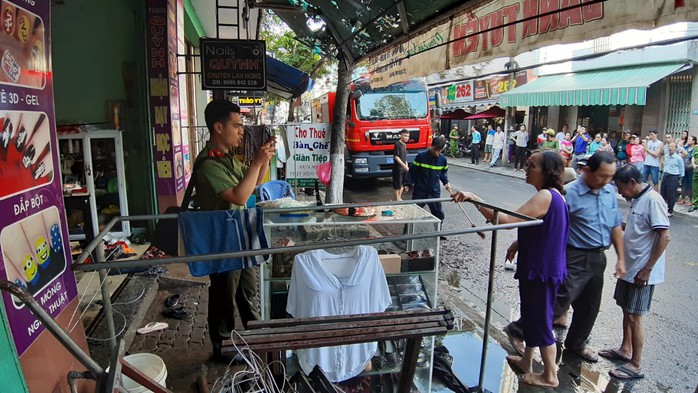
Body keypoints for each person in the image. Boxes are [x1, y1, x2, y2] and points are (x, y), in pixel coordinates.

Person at [453, 150, 569, 388]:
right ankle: (527, 360)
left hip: (542, 268)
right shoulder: (552, 196)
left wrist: (474, 198)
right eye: (527, 164)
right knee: (532, 315)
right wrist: (519, 243)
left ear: (547, 172)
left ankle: (550, 375)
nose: (527, 168)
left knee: (541, 319)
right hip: (539, 265)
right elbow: (543, 228)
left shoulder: (546, 196)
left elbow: (505, 221)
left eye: (532, 166)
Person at [504, 152, 625, 365]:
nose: (606, 181)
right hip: (573, 254)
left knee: (590, 306)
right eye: (602, 176)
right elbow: (547, 224)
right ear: (588, 170)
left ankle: (576, 343)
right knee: (555, 301)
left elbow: (615, 226)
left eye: (610, 177)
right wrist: (519, 243)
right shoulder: (567, 193)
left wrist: (621, 258)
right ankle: (520, 330)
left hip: (598, 256)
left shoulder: (608, 193)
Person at [195, 99, 276, 361]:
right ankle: (223, 349)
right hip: (223, 241)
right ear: (219, 127)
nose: (241, 131)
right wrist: (256, 164)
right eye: (237, 125)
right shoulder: (208, 163)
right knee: (223, 297)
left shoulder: (227, 158)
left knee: (248, 292)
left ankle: (257, 341)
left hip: (242, 235)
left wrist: (263, 159)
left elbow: (256, 183)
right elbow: (239, 197)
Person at [601, 165, 670, 381]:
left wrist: (647, 269)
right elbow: (637, 228)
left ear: (632, 183)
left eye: (621, 187)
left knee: (635, 316)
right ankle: (625, 349)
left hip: (642, 271)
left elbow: (664, 236)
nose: (620, 192)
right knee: (626, 310)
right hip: (631, 268)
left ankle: (636, 364)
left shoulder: (653, 200)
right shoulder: (638, 199)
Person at [406, 135, 452, 236]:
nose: (437, 152)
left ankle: (438, 233)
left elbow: (443, 173)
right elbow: (412, 172)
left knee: (439, 214)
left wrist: (446, 182)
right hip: (420, 191)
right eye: (435, 149)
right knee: (412, 213)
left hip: (434, 192)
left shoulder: (443, 160)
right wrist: (407, 184)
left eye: (439, 150)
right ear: (431, 146)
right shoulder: (421, 157)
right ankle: (407, 234)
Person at [659, 142, 684, 217]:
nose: (670, 148)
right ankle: (663, 209)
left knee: (671, 194)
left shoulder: (678, 158)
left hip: (673, 176)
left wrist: (679, 180)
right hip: (665, 175)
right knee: (663, 193)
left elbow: (681, 170)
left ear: (676, 148)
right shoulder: (666, 156)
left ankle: (670, 210)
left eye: (672, 147)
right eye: (669, 147)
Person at [392, 129, 410, 201]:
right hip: (398, 168)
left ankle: (399, 197)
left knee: (403, 183)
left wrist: (406, 164)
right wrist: (403, 165)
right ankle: (397, 199)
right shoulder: (397, 144)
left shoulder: (404, 145)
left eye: (408, 136)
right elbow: (396, 156)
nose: (406, 138)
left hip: (404, 168)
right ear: (401, 135)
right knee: (397, 185)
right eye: (405, 136)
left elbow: (404, 156)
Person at [679, 135, 695, 206]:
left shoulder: (695, 149)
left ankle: (691, 199)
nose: (688, 140)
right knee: (683, 183)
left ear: (693, 141)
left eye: (689, 139)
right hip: (684, 168)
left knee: (690, 184)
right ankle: (683, 198)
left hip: (691, 169)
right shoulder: (685, 147)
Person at [690, 141, 698, 213]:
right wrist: (693, 164)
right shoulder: (696, 148)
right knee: (695, 188)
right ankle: (695, 204)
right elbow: (693, 157)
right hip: (696, 170)